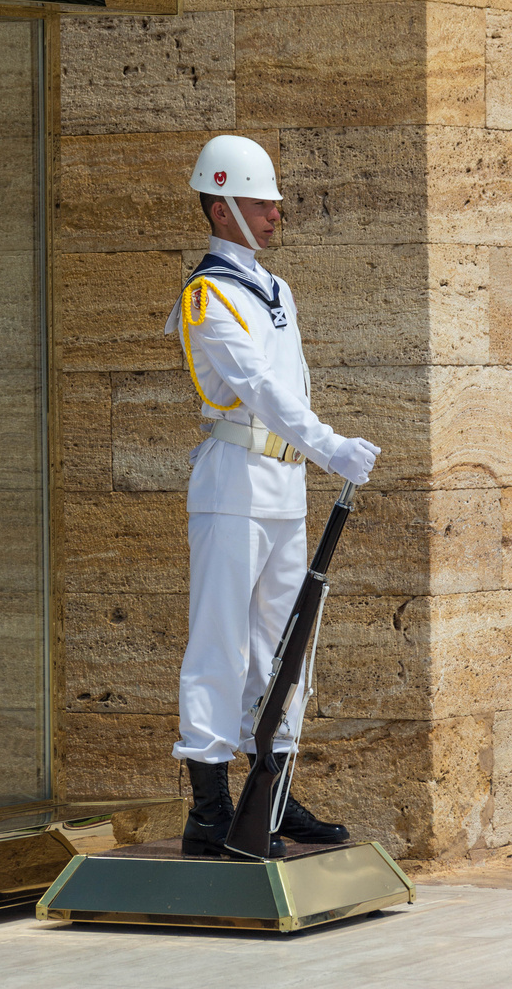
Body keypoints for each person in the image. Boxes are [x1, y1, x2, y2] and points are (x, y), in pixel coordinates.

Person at [165, 134, 380, 857]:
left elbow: (295, 387)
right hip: (232, 486)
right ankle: (209, 809)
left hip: (285, 488)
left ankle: (274, 796)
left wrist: (312, 453)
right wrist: (331, 447)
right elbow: (256, 389)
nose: (275, 214)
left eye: (275, 203)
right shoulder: (209, 294)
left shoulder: (276, 289)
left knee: (287, 650)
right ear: (220, 209)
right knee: (219, 645)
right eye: (260, 203)